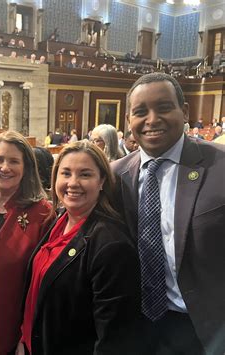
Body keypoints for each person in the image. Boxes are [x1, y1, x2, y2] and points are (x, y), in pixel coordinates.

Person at [112, 72, 225, 355]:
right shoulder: (115, 175)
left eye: (163, 108)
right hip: (134, 324)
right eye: (140, 112)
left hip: (203, 328)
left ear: (184, 111)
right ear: (129, 121)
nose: (151, 120)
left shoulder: (220, 167)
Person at [16, 141, 141, 355]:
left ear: (101, 181)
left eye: (85, 174)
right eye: (65, 173)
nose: (73, 183)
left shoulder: (111, 244)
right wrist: (24, 340)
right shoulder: (59, 222)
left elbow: (115, 337)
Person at [0, 131, 51, 354]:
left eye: (14, 161)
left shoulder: (43, 212)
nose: (5, 167)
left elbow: (43, 284)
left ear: (26, 168)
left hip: (19, 327)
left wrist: (26, 334)